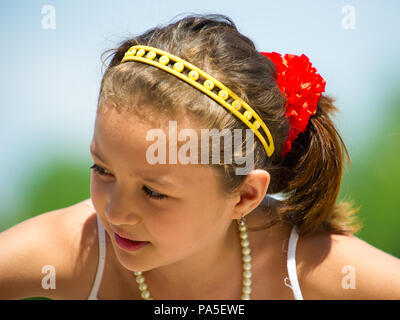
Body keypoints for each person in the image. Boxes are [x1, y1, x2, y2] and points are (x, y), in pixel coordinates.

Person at [1, 13, 399, 300]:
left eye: (153, 192)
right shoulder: (80, 250)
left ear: (244, 196)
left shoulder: (307, 268)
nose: (115, 211)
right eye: (102, 169)